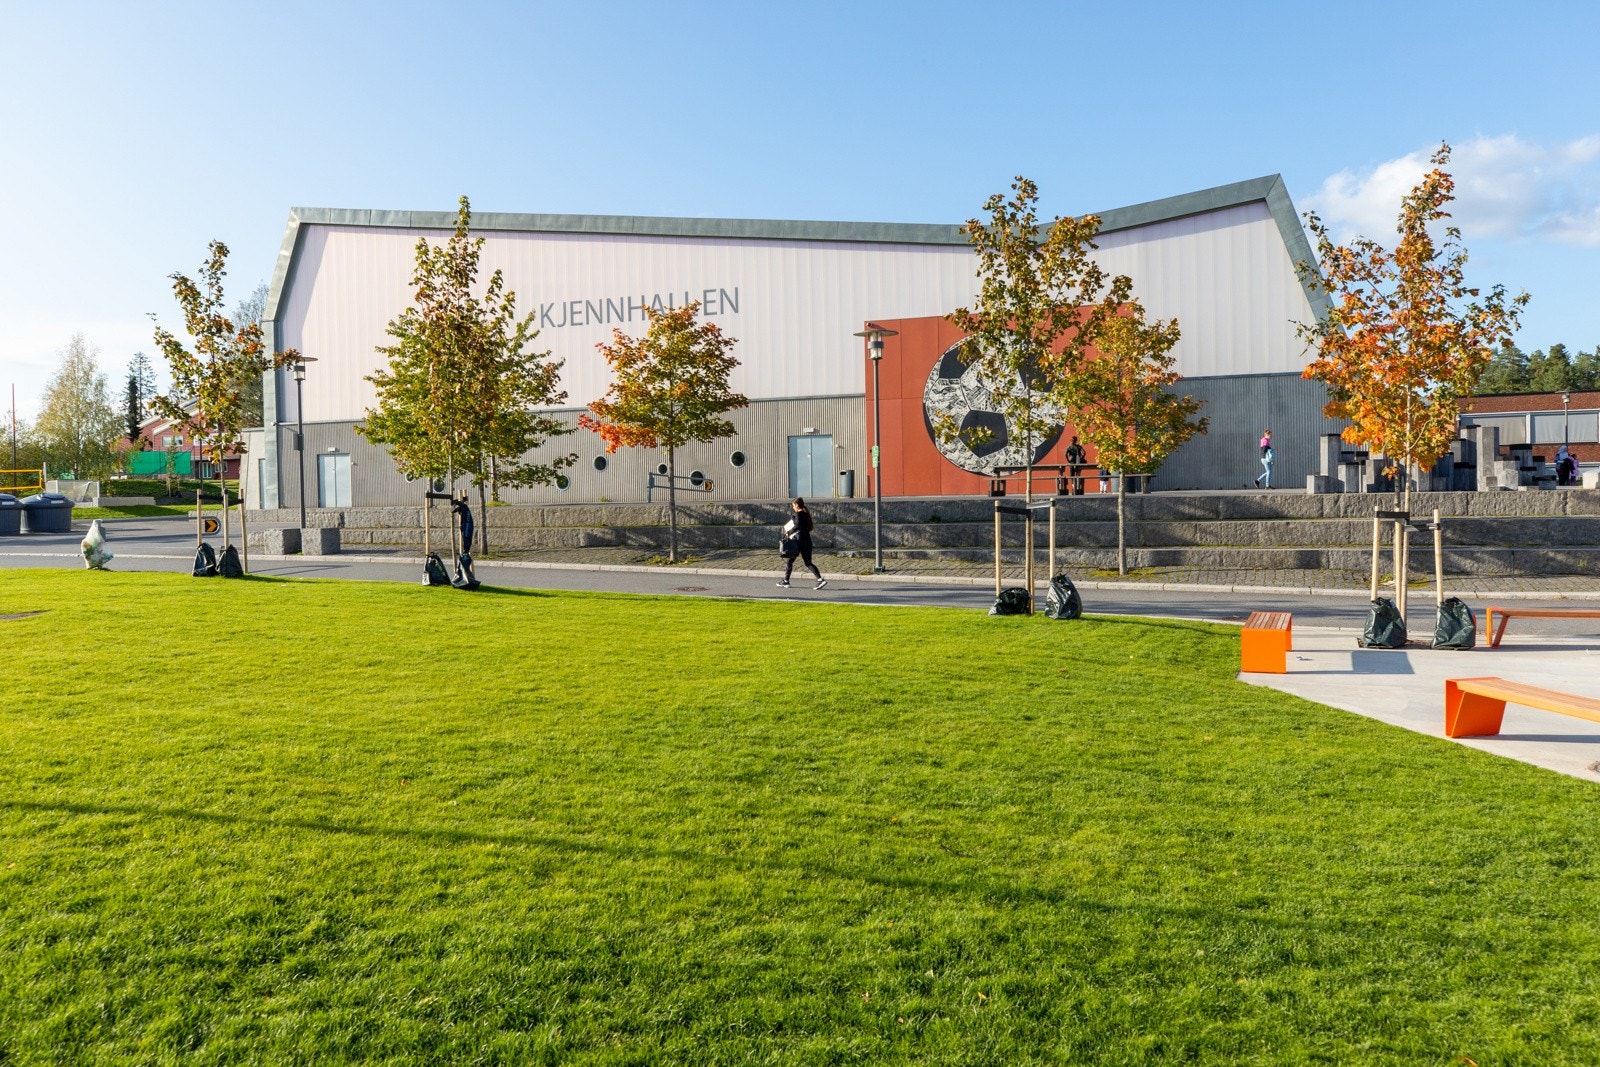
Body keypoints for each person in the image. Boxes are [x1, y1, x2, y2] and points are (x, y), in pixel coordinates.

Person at [778, 497, 827, 590]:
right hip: (807, 541)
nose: (793, 507)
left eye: (793, 505)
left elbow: (797, 525)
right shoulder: (806, 514)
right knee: (808, 562)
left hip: (798, 541)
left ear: (796, 505)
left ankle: (786, 581)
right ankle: (820, 580)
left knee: (790, 561)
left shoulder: (797, 515)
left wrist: (788, 532)